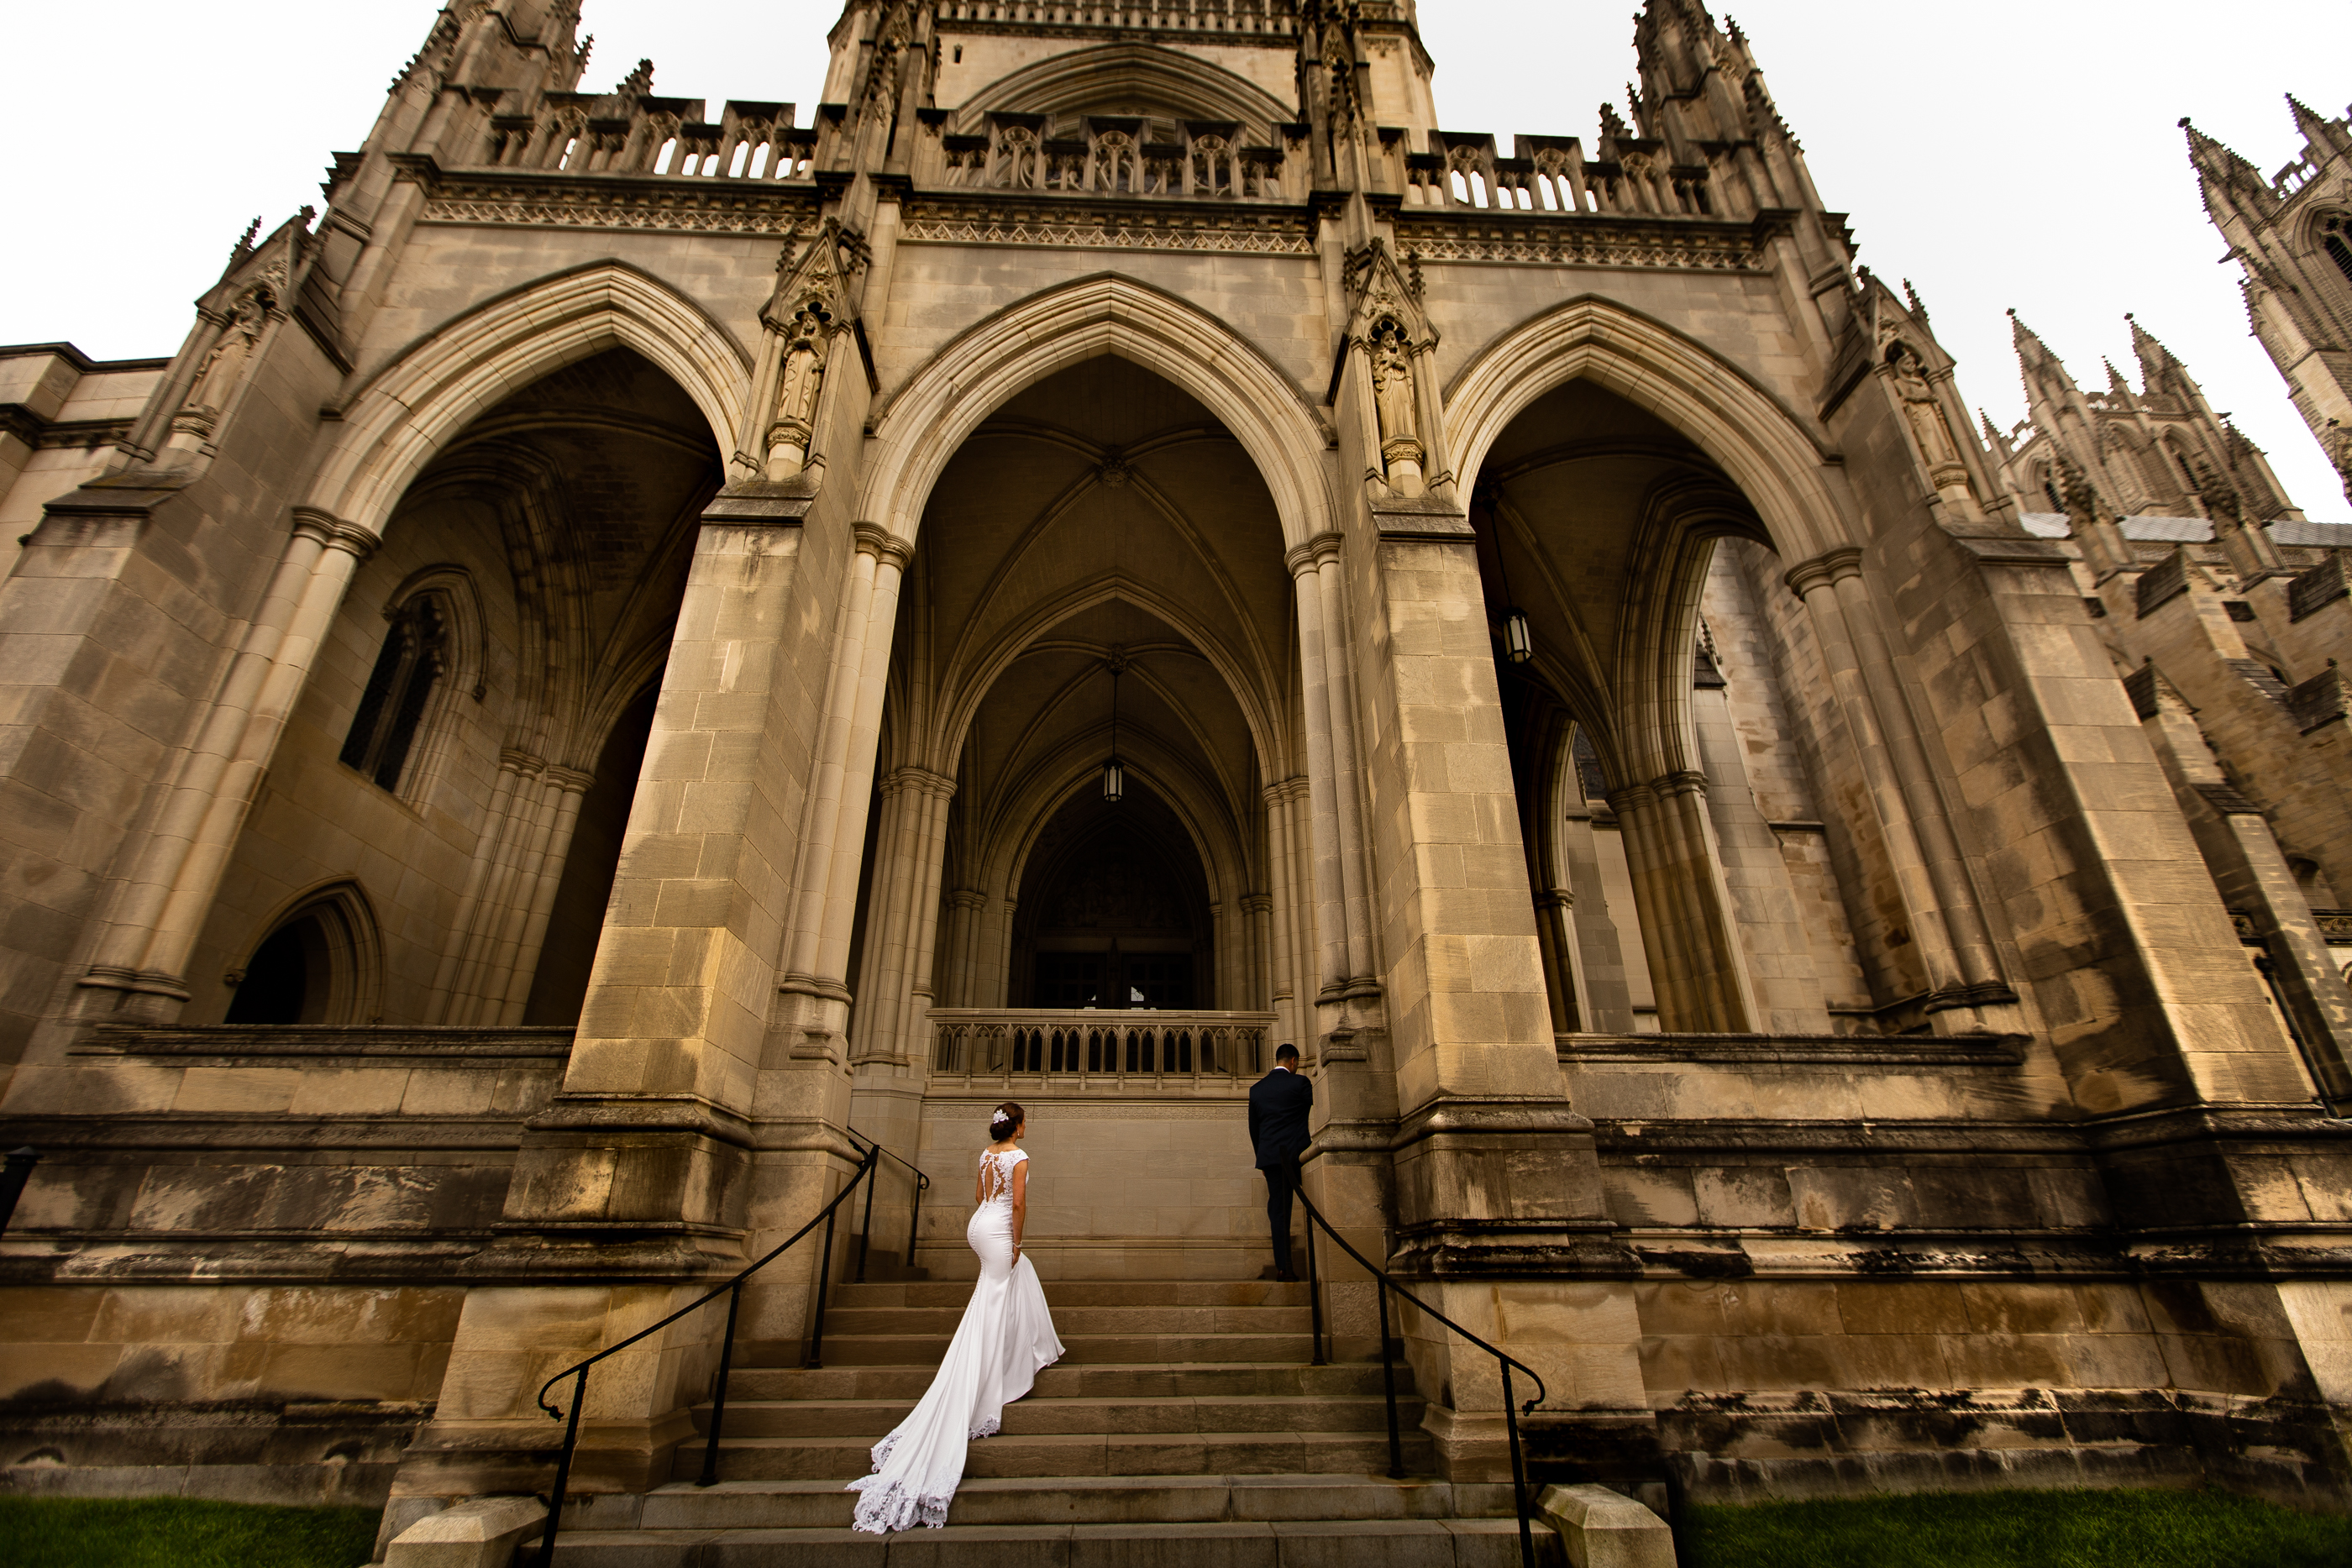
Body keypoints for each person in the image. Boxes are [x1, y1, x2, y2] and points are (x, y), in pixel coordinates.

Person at [846, 1102, 1064, 1533]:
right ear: (1017, 1126)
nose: (1026, 1127)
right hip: (999, 1230)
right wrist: (1017, 1241)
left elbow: (980, 1196)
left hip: (979, 1225)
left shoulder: (986, 1154)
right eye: (1024, 1122)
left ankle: (1029, 1350)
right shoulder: (1019, 1157)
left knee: (1005, 1287)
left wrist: (1000, 1227)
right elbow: (1018, 1205)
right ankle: (992, 1369)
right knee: (997, 1294)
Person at [1247, 1044, 1314, 1281]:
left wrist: (1263, 1159)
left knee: (1278, 1211)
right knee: (1314, 1202)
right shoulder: (1300, 1083)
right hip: (1299, 1154)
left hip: (1271, 1158)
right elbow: (1304, 1112)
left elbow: (1254, 1129)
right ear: (1293, 1061)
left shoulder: (1257, 1090)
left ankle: (1284, 1267)